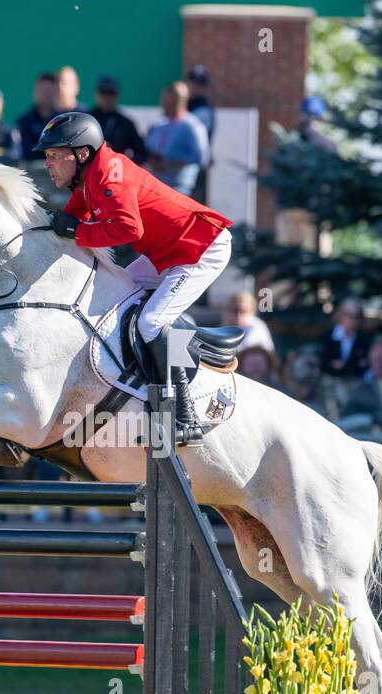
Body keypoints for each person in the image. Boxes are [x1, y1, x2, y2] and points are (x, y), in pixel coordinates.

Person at [38, 111, 233, 445]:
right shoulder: (89, 179)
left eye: (55, 155)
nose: (48, 164)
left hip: (201, 247)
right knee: (118, 294)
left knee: (151, 323)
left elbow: (129, 229)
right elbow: (69, 219)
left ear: (82, 154)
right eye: (47, 157)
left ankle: (183, 417)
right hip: (170, 252)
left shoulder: (108, 177)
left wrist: (80, 232)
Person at [146, 82, 208, 196]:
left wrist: (171, 164)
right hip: (156, 188)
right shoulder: (158, 124)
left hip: (180, 190)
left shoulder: (192, 126)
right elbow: (147, 148)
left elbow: (202, 157)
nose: (164, 104)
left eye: (169, 101)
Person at [88, 75, 146, 164]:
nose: (107, 96)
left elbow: (142, 154)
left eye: (111, 92)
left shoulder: (126, 123)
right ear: (96, 93)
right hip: (89, 169)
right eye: (103, 92)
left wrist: (125, 159)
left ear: (117, 95)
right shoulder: (87, 119)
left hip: (116, 171)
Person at [320, 297, 372, 379]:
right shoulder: (327, 337)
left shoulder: (364, 339)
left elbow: (366, 365)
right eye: (349, 315)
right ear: (340, 315)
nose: (353, 320)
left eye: (356, 317)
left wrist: (343, 365)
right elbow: (323, 364)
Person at [16, 72, 59, 161]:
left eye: (49, 91)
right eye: (42, 90)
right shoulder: (24, 121)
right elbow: (25, 152)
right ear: (35, 91)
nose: (46, 94)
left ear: (57, 92)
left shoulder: (63, 121)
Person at [185, 65, 215, 143]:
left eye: (198, 84)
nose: (193, 86)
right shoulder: (186, 104)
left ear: (205, 87)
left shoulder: (203, 110)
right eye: (191, 81)